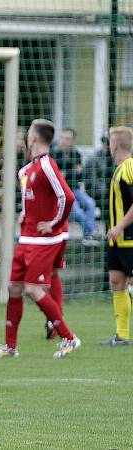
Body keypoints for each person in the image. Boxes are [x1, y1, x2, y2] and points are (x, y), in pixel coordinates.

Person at [0, 119, 81, 360]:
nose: (26, 136)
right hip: (26, 238)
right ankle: (10, 346)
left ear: (35, 137)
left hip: (43, 241)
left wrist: (54, 224)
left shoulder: (47, 164)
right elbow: (33, 199)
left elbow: (67, 197)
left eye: (29, 132)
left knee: (33, 289)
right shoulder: (27, 169)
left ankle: (68, 336)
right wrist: (25, 213)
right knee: (14, 288)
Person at [102, 126, 133, 347]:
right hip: (116, 239)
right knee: (116, 281)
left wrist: (120, 225)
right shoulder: (118, 168)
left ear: (114, 145)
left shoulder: (129, 168)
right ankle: (122, 336)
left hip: (129, 238)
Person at [52, 128, 99, 243]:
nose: (64, 141)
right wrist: (73, 173)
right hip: (61, 192)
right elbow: (58, 177)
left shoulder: (76, 154)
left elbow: (80, 175)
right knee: (77, 212)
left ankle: (88, 235)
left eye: (67, 139)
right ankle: (91, 232)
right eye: (62, 138)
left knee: (90, 203)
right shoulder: (54, 154)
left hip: (75, 189)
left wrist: (67, 174)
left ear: (72, 141)